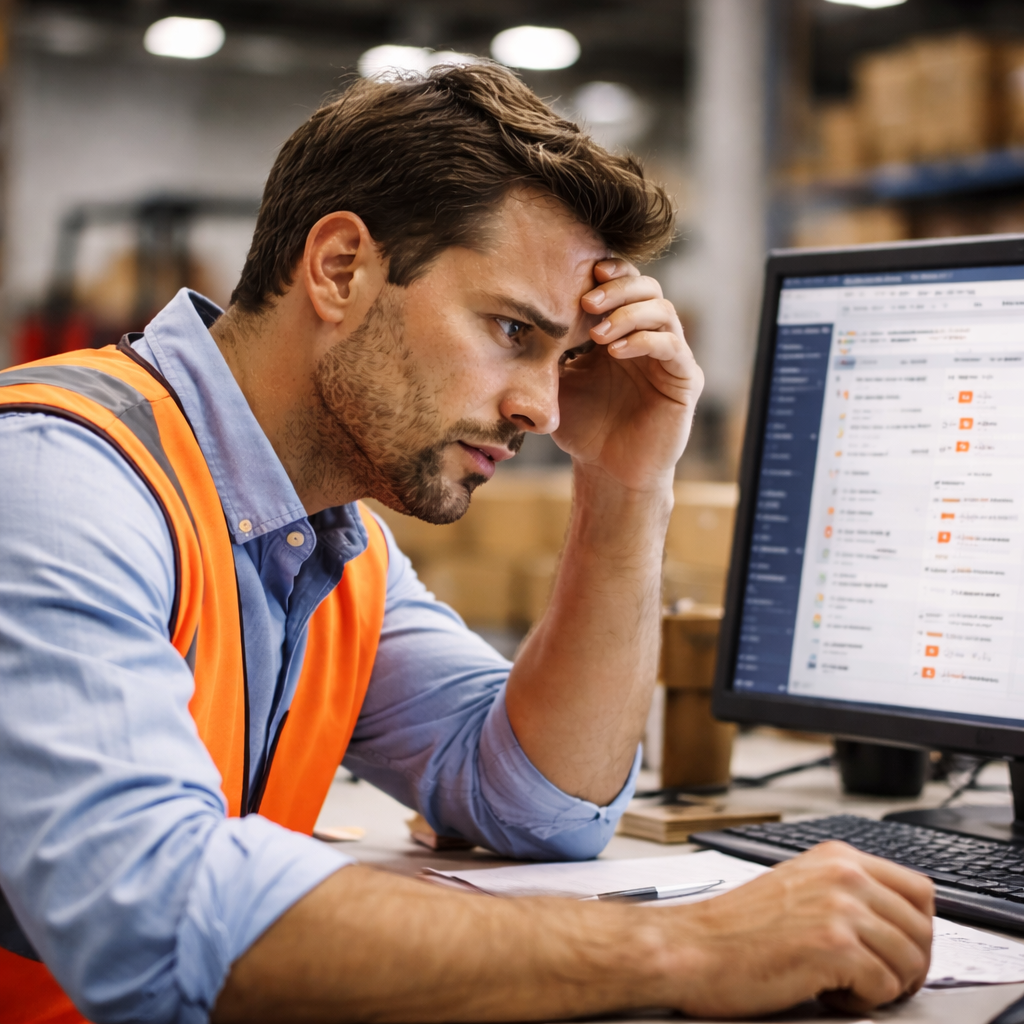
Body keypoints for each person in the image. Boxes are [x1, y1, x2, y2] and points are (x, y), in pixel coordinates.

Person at [0, 62, 932, 1024]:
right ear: (340, 269)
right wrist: (682, 947)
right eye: (510, 330)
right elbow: (151, 916)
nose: (543, 405)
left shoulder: (329, 544)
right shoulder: (55, 478)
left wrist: (623, 481)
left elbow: (542, 804)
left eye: (565, 357)